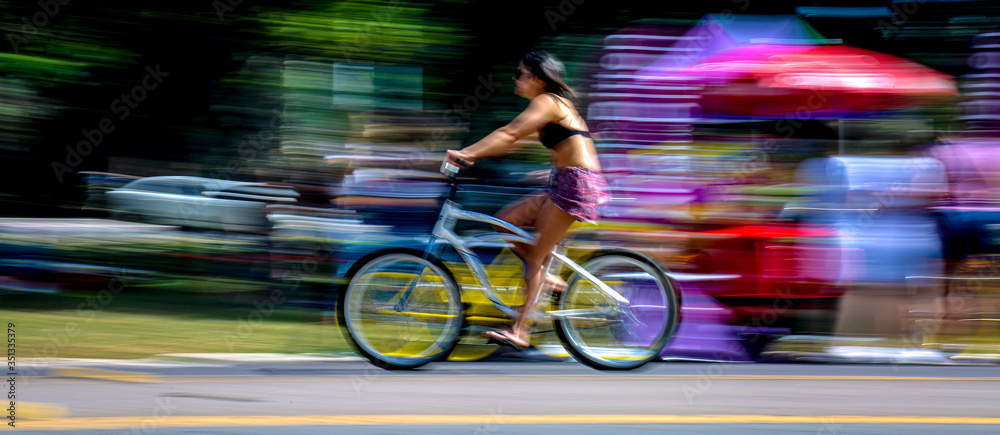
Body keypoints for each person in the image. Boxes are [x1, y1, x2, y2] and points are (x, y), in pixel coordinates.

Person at [445, 50, 609, 350]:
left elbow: (510, 134)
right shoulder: (549, 105)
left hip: (576, 184)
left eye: (520, 74)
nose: (515, 78)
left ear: (538, 78)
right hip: (563, 181)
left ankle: (520, 330)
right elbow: (512, 142)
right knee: (505, 221)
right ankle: (548, 280)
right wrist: (479, 156)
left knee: (534, 258)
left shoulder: (548, 101)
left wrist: (467, 153)